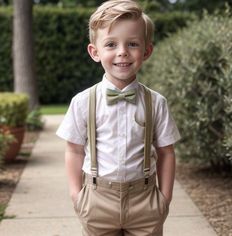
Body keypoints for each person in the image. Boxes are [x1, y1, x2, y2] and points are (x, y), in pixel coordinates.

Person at [56, 0, 181, 235]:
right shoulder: (83, 102)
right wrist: (77, 196)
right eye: (111, 44)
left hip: (145, 201)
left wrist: (164, 198)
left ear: (146, 51)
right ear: (95, 52)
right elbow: (73, 149)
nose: (122, 51)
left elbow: (166, 151)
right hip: (97, 200)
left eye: (132, 44)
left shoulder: (156, 103)